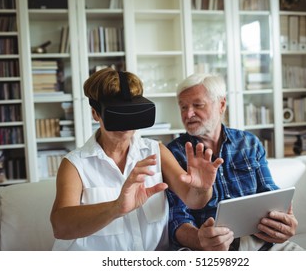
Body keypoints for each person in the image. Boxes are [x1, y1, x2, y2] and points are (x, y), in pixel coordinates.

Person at [50, 68, 223, 251]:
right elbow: (60, 227)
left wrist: (202, 188)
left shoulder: (156, 151)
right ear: (96, 113)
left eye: (131, 113)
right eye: (117, 114)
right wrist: (116, 208)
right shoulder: (75, 164)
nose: (125, 123)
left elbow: (194, 200)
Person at [166, 73, 303, 251]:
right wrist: (201, 239)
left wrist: (283, 222)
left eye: (197, 105)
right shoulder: (173, 154)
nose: (188, 114)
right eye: (183, 107)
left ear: (221, 105)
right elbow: (177, 220)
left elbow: (269, 193)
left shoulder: (249, 143)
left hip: (261, 242)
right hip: (209, 250)